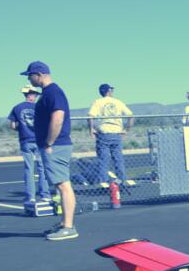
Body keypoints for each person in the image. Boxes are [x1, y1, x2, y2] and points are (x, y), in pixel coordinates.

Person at [22, 61, 77, 240]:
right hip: (54, 145)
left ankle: (68, 227)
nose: (29, 79)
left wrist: (49, 142)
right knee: (60, 185)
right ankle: (64, 223)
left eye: (29, 75)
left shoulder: (53, 92)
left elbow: (58, 117)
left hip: (56, 146)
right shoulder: (48, 93)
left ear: (38, 74)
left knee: (63, 185)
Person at [8, 86, 49, 205]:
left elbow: (12, 126)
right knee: (42, 168)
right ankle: (45, 195)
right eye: (35, 94)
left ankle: (31, 197)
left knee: (29, 169)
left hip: (25, 141)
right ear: (30, 95)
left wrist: (22, 128)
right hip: (39, 141)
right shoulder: (39, 107)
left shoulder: (17, 108)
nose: (35, 96)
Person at [88, 83, 134, 188]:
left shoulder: (98, 102)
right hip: (116, 133)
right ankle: (121, 180)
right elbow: (131, 116)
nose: (112, 92)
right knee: (118, 159)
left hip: (104, 133)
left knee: (103, 159)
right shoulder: (118, 102)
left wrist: (91, 129)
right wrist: (126, 130)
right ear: (108, 91)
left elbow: (90, 116)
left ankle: (103, 182)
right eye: (111, 90)